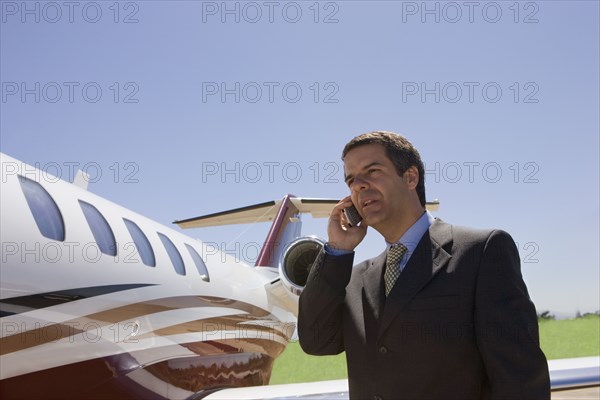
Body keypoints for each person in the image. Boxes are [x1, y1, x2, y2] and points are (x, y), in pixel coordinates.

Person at [298, 131, 550, 400]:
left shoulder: (482, 251)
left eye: (371, 171)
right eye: (350, 180)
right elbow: (316, 341)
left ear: (410, 177)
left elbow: (520, 380)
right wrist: (337, 250)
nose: (358, 185)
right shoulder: (356, 277)